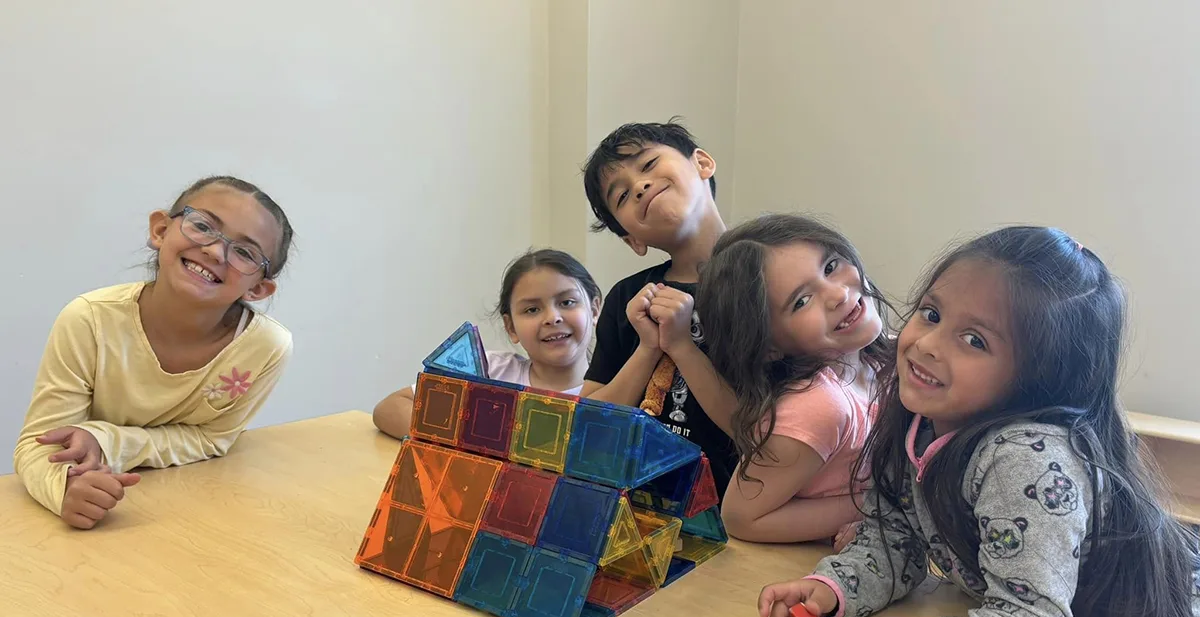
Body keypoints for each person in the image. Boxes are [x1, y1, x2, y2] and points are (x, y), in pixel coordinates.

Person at [758, 227, 1200, 617]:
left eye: (974, 340)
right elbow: (894, 542)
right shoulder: (921, 418)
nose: (927, 343)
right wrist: (831, 591)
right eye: (930, 313)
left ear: (1039, 379)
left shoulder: (1028, 462)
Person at [15, 176, 295, 530]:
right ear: (160, 229)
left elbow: (212, 439)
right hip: (106, 520)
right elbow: (40, 444)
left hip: (191, 512)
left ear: (258, 288)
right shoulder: (90, 319)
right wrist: (65, 488)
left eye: (244, 252)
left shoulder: (264, 348)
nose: (214, 251)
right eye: (203, 226)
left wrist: (108, 440)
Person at [696, 214, 888, 545]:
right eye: (801, 301)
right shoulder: (820, 406)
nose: (838, 295)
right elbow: (742, 518)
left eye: (829, 267)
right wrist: (876, 507)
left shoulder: (876, 361)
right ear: (769, 347)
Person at [581, 119, 737, 496]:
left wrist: (682, 346)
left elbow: (772, 431)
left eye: (648, 165)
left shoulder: (769, 279)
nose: (639, 186)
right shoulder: (627, 299)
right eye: (620, 196)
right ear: (632, 239)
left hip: (739, 515)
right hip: (640, 510)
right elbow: (589, 425)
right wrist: (649, 348)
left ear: (702, 163)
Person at [373, 249, 601, 439]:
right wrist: (471, 438)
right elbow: (389, 407)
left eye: (567, 302)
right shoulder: (488, 370)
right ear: (511, 327)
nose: (553, 317)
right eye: (532, 309)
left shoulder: (617, 391)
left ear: (594, 309)